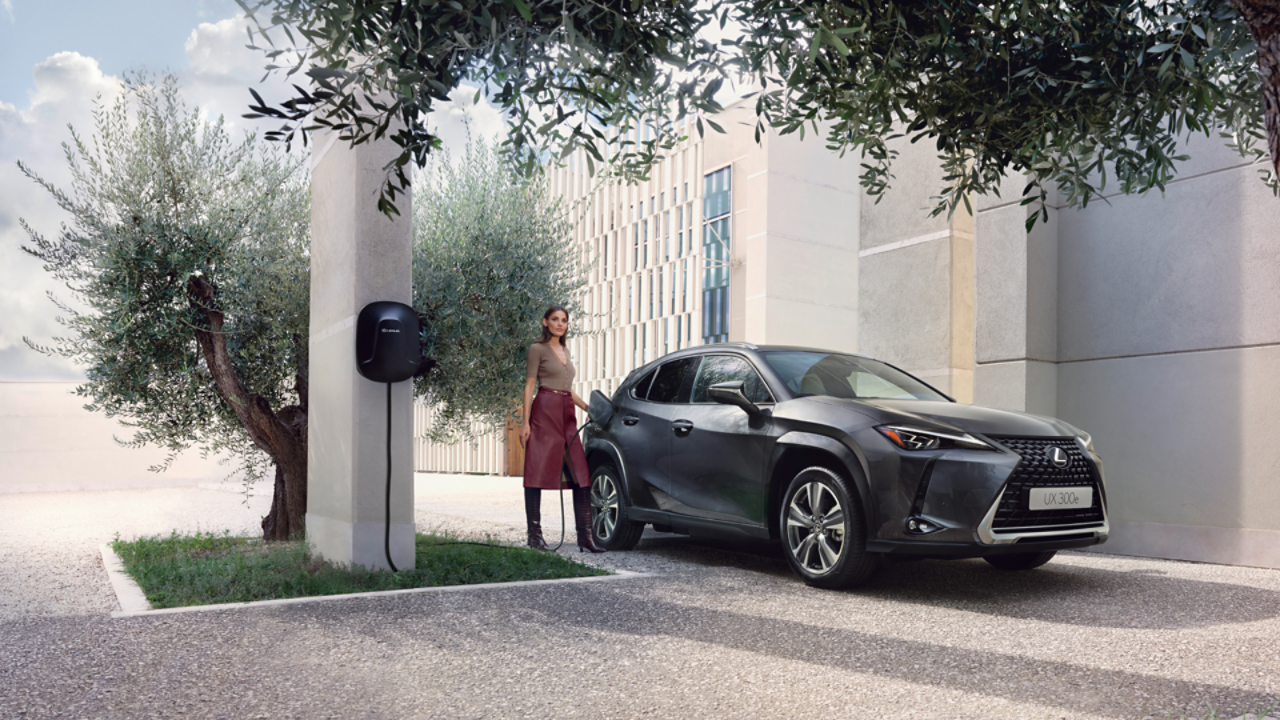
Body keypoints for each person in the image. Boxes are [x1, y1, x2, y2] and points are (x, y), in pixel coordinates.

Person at [519, 306, 606, 553]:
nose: (560, 323)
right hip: (544, 410)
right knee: (535, 472)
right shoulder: (537, 349)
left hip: (567, 413)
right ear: (545, 322)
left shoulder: (565, 350)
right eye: (555, 319)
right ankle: (534, 536)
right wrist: (525, 423)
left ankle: (585, 537)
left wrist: (588, 407)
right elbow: (529, 386)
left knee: (582, 475)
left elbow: (568, 389)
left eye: (564, 320)